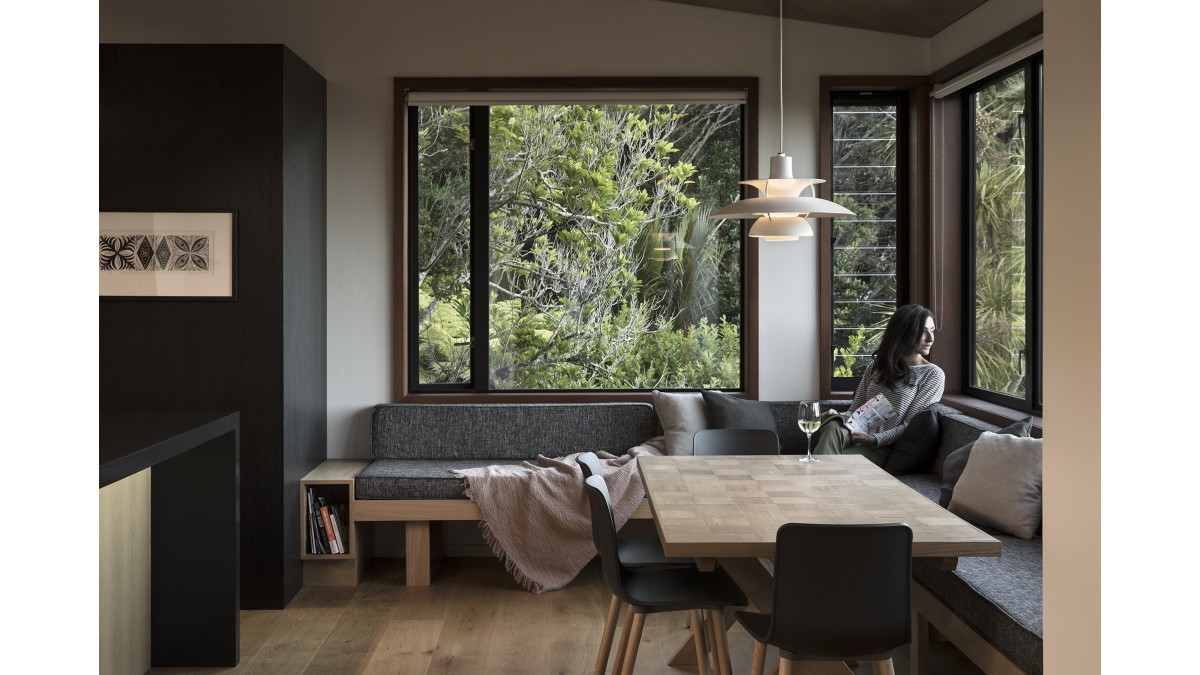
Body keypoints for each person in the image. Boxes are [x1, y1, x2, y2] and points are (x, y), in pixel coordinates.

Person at [810, 304, 945, 468]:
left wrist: (874, 439)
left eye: (932, 330)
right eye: (923, 331)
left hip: (882, 446)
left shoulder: (932, 375)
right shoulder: (877, 365)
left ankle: (816, 477)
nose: (930, 338)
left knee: (831, 464)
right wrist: (838, 415)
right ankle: (819, 478)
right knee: (832, 426)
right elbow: (855, 409)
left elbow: (909, 426)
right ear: (903, 331)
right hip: (855, 431)